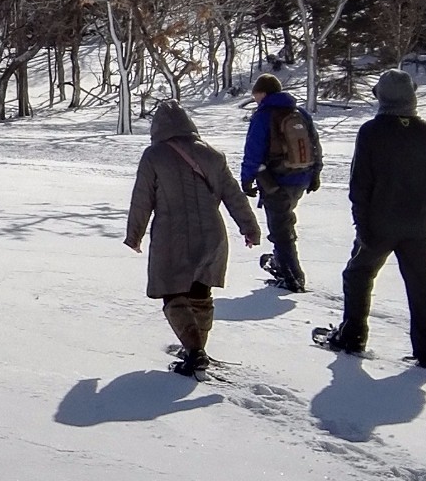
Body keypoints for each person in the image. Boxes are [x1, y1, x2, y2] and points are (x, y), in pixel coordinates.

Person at [315, 70, 426, 371]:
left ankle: (352, 337)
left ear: (382, 97)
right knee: (424, 287)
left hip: (378, 225)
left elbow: (360, 184)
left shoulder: (372, 131)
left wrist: (362, 225)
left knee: (357, 275)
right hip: (419, 226)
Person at [125, 102, 263, 376]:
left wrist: (135, 234)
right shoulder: (213, 155)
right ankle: (197, 349)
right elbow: (233, 195)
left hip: (171, 235)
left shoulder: (154, 155)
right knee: (201, 292)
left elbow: (142, 198)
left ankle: (194, 350)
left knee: (173, 292)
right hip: (212, 234)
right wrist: (250, 228)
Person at [239, 72, 321, 291]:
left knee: (280, 229)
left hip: (275, 181)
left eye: (256, 95)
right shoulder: (299, 113)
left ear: (263, 93)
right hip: (301, 178)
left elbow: (253, 152)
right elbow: (315, 145)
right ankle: (280, 264)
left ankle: (292, 277)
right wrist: (315, 174)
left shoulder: (264, 115)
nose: (255, 99)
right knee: (284, 222)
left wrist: (246, 180)